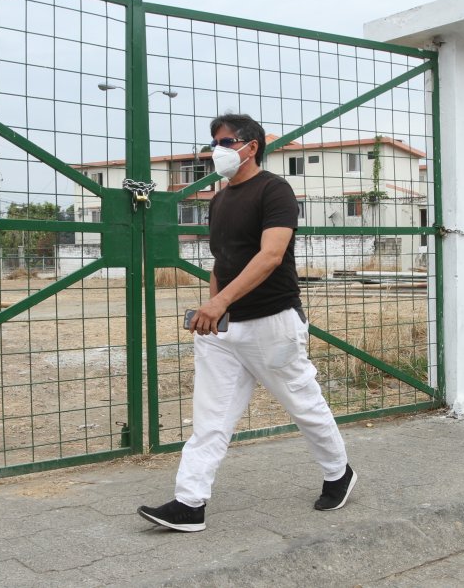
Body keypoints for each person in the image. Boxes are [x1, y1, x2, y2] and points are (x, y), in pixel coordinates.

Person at [137, 113, 355, 533]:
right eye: (213, 142)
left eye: (225, 141)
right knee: (210, 419)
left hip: (273, 324)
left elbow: (271, 255)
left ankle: (338, 473)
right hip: (225, 329)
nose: (216, 149)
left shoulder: (275, 191)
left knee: (304, 406)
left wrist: (219, 302)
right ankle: (189, 503)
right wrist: (213, 309)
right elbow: (224, 259)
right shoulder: (219, 199)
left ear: (251, 146)